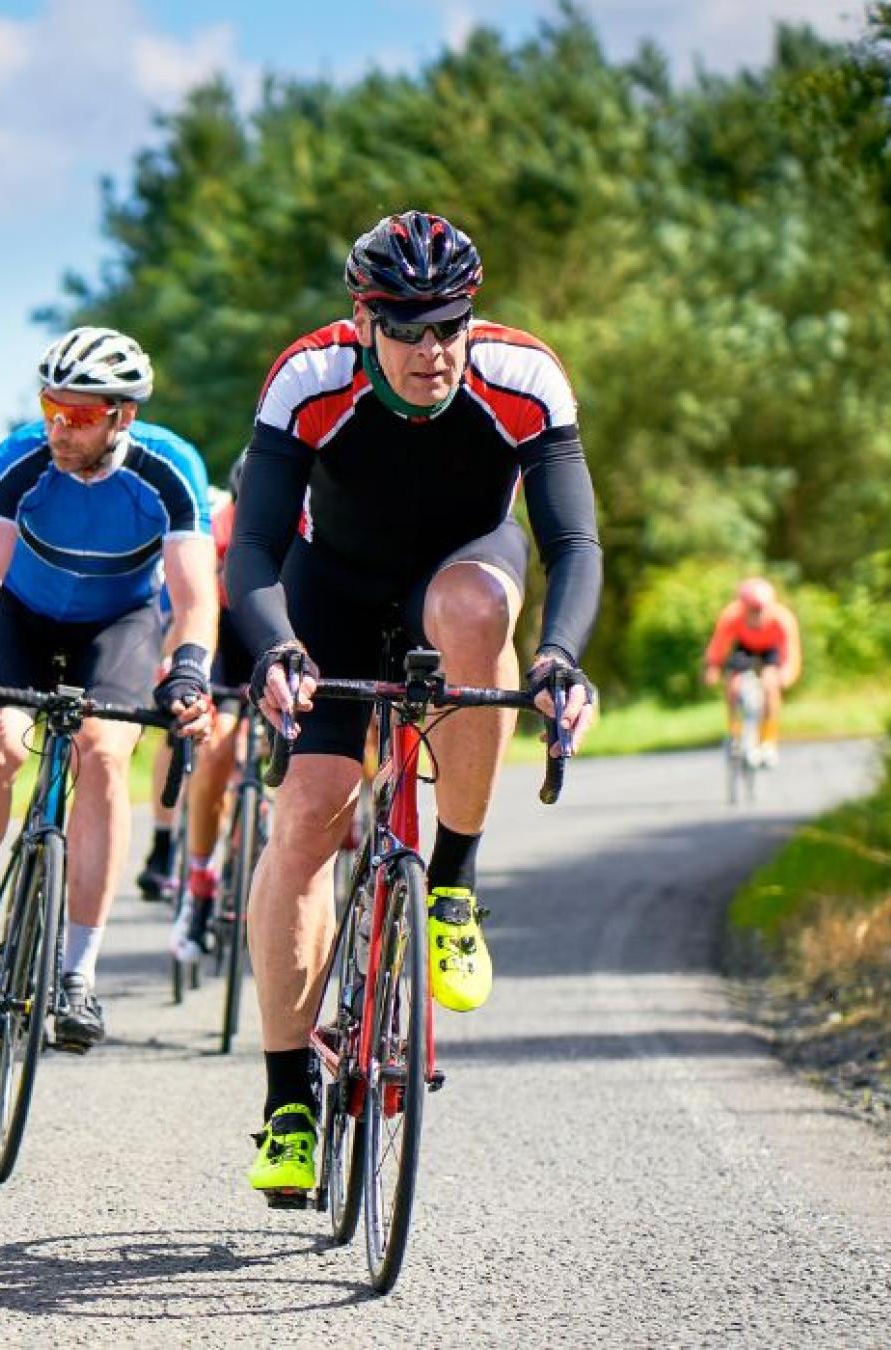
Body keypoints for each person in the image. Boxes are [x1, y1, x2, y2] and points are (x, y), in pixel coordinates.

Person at [226, 211, 601, 1201]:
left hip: (463, 571)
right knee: (306, 815)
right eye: (407, 327)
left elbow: (572, 543)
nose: (432, 350)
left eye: (449, 324)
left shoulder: (523, 380)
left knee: (472, 608)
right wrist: (280, 653)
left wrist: (560, 658)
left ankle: (453, 884)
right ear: (364, 318)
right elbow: (256, 547)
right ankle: (289, 1098)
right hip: (333, 590)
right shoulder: (311, 380)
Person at [0, 326, 221, 1053]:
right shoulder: (19, 458)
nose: (59, 424)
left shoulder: (170, 469)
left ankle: (77, 973)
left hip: (115, 625)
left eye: (80, 413)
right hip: (21, 617)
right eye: (52, 405)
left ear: (123, 414)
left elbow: (193, 601)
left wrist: (188, 670)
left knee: (106, 756)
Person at [139, 455, 255, 969]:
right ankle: (202, 883)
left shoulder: (316, 523)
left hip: (287, 637)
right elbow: (194, 613)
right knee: (214, 751)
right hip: (229, 637)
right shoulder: (220, 527)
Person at [703, 577, 802, 764]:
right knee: (733, 684)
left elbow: (791, 654)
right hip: (745, 647)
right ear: (743, 607)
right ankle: (734, 733)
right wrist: (713, 667)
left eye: (760, 610)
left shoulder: (782, 619)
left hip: (769, 650)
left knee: (770, 683)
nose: (757, 616)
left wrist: (787, 674)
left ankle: (769, 739)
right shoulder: (731, 616)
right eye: (752, 611)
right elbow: (719, 644)